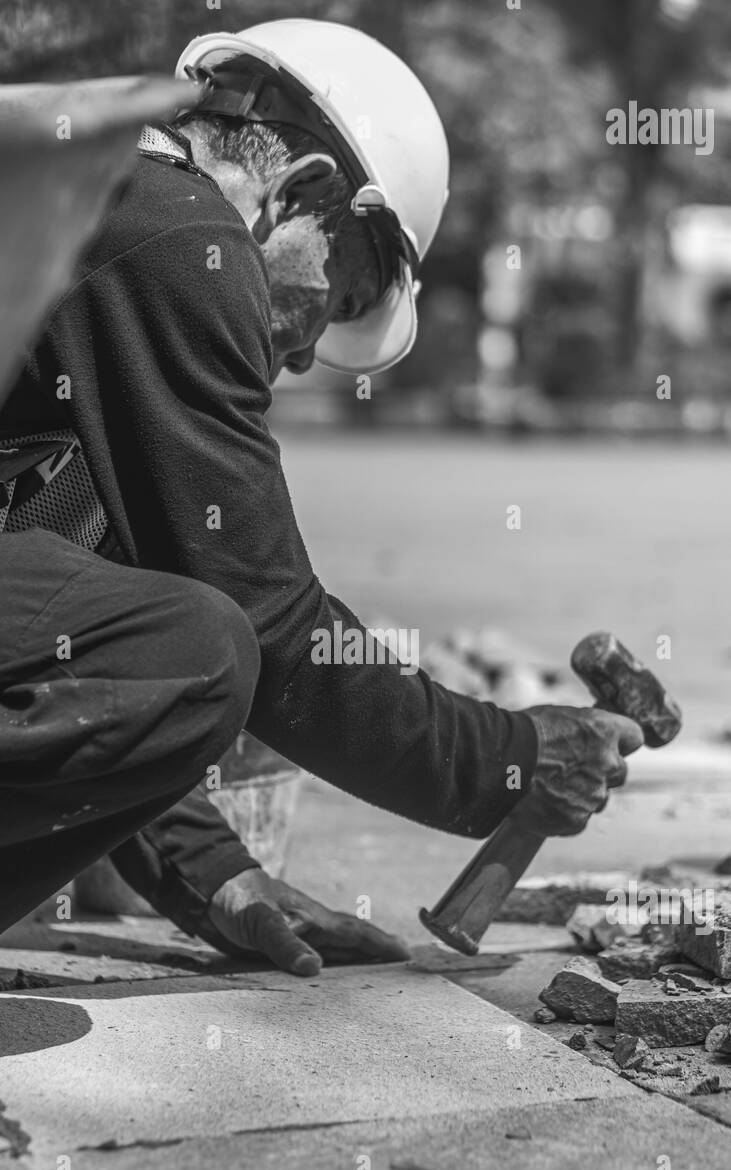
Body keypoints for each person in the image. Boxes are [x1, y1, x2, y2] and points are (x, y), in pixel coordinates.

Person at [0, 20, 641, 975]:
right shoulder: (180, 235)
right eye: (339, 302)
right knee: (205, 647)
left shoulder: (111, 194)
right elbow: (268, 632)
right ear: (301, 194)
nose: (303, 354)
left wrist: (213, 872)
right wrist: (507, 758)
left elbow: (70, 633)